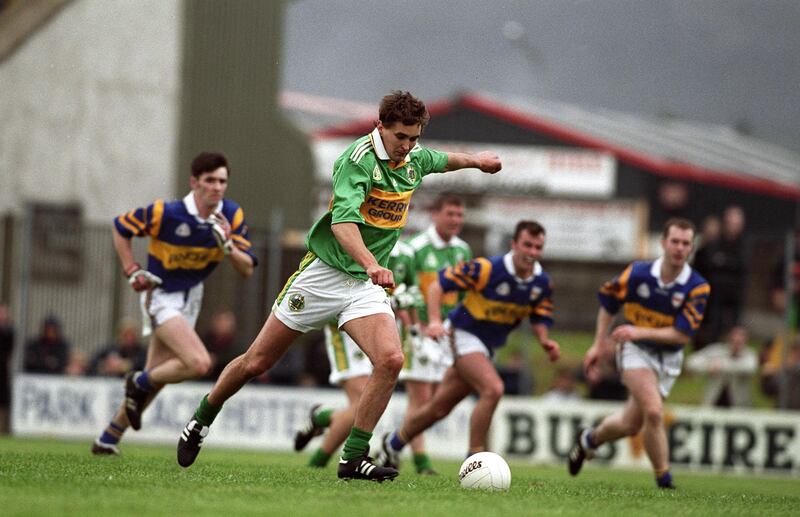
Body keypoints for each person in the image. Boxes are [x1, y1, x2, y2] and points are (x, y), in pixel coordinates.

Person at [176, 90, 501, 482]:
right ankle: (200, 420)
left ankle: (353, 458)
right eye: (401, 137)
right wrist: (372, 263)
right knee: (257, 362)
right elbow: (342, 224)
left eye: (415, 138)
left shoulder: (413, 158)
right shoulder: (357, 161)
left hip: (362, 285)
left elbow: (444, 160)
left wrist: (478, 162)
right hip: (324, 275)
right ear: (381, 126)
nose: (408, 146)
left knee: (391, 360)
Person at [91, 151, 257, 455]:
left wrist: (227, 245)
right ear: (194, 182)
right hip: (160, 296)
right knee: (198, 363)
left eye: (222, 181)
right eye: (210, 180)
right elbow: (120, 227)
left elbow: (246, 268)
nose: (217, 187)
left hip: (191, 296)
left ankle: (108, 438)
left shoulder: (230, 216)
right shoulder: (166, 213)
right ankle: (137, 380)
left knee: (158, 375)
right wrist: (131, 269)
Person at [377, 220, 560, 469]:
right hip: (461, 334)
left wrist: (544, 340)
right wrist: (433, 320)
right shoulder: (487, 268)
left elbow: (540, 315)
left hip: (485, 347)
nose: (532, 252)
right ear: (514, 244)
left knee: (439, 408)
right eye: (527, 245)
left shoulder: (542, 283)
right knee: (493, 388)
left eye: (538, 247)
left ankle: (393, 444)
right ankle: (475, 459)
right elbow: (438, 285)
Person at [568, 218, 710, 490]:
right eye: (675, 241)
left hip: (668, 357)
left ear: (691, 248)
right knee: (654, 413)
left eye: (685, 243)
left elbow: (682, 334)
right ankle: (664, 480)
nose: (679, 248)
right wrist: (599, 344)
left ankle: (588, 439)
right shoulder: (637, 273)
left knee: (630, 424)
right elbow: (609, 303)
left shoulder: (697, 286)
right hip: (635, 351)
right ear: (663, 243)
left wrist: (639, 331)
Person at [292, 240, 419, 471]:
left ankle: (323, 421)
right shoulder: (355, 236)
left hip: (378, 324)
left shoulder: (407, 252)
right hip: (343, 325)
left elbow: (413, 291)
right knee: (361, 403)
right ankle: (324, 462)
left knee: (362, 404)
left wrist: (406, 302)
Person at [399, 193, 472, 474]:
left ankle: (394, 445)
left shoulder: (463, 250)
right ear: (434, 214)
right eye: (450, 214)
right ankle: (421, 462)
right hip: (418, 330)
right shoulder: (415, 247)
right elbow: (406, 289)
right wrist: (416, 325)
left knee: (436, 400)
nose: (456, 220)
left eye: (460, 215)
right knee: (421, 399)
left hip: (448, 332)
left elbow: (465, 293)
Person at [693, 206, 747, 346]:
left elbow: (742, 272)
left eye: (737, 224)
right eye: (731, 223)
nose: (733, 228)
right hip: (710, 299)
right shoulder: (712, 246)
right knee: (709, 332)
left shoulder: (743, 247)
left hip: (733, 298)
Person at [685, 325, 758, 407]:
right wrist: (709, 366)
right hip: (712, 403)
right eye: (734, 340)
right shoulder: (716, 351)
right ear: (729, 338)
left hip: (739, 407)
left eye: (740, 341)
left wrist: (720, 365)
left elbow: (750, 368)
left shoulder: (750, 354)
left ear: (745, 341)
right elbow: (691, 362)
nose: (736, 344)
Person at [202, 310, 240, 381]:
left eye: (227, 321)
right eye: (221, 321)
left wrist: (217, 360)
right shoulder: (204, 343)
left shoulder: (236, 346)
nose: (224, 324)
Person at [0, 304, 14, 434]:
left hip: (2, 368)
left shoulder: (9, 331)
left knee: (3, 398)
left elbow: (10, 350)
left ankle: (3, 428)